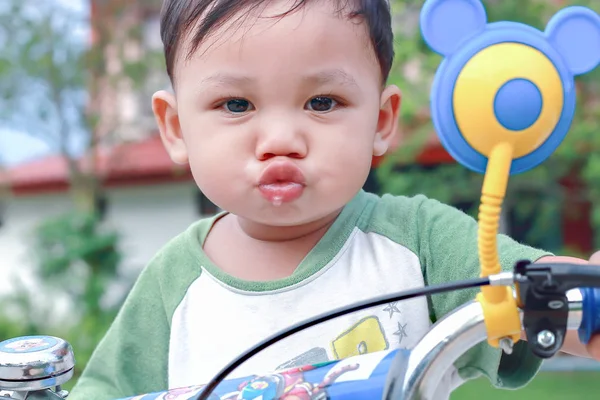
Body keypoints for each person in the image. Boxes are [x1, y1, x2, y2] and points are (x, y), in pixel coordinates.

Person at [69, 1, 600, 399]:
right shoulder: (171, 287)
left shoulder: (423, 242)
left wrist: (587, 296)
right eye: (236, 103)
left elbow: (546, 294)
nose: (280, 138)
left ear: (382, 120)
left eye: (323, 102)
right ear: (176, 126)